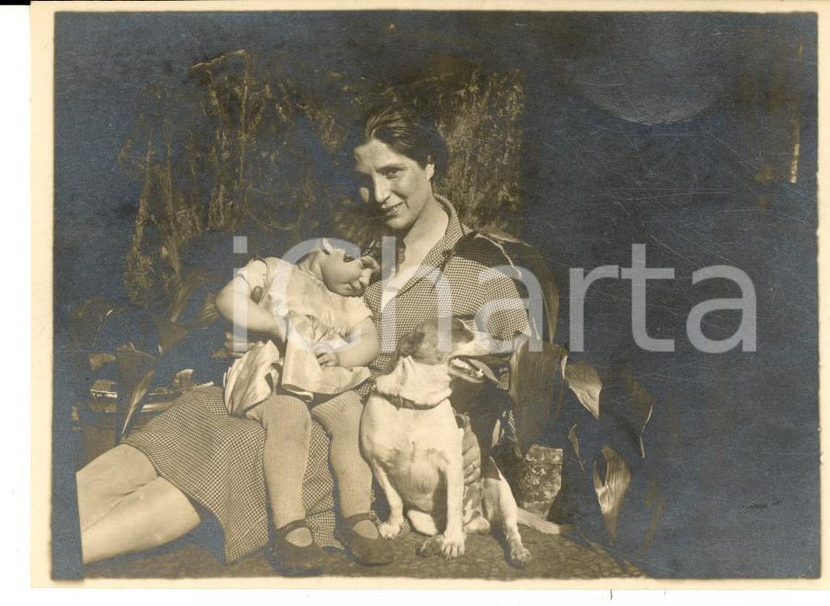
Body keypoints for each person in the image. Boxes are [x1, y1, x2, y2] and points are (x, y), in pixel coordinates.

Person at [76, 99, 532, 571]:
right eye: (364, 179)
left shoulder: (479, 268)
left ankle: (59, 557)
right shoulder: (354, 243)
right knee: (192, 418)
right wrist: (249, 337)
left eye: (393, 173)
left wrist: (473, 433)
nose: (377, 194)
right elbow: (284, 297)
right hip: (278, 384)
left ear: (431, 164)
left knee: (243, 448)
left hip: (368, 433)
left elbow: (516, 374)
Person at [216, 243, 379, 574]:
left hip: (321, 374)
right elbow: (228, 299)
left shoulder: (349, 301)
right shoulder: (274, 268)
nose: (365, 279)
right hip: (270, 370)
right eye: (360, 265)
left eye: (372, 274)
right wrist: (275, 325)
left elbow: (369, 341)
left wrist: (344, 357)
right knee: (290, 414)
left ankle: (356, 513)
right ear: (327, 247)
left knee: (353, 416)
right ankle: (289, 523)